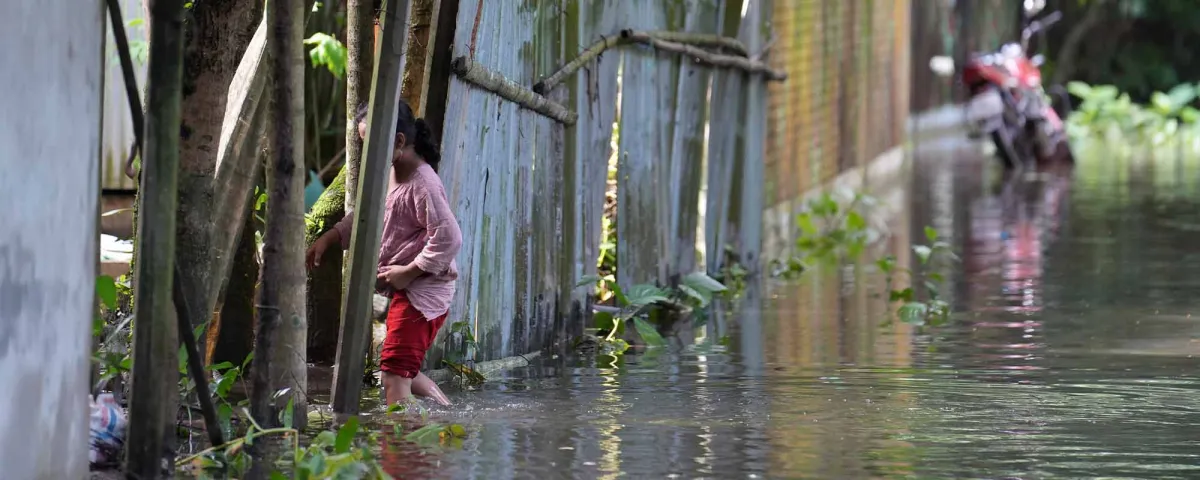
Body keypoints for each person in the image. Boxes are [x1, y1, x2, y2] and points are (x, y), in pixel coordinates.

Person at [306, 99, 461, 407]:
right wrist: (332, 236)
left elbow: (449, 237)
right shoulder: (386, 174)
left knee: (393, 373)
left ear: (400, 141)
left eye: (370, 144)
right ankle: (449, 416)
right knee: (403, 370)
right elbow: (365, 213)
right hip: (409, 289)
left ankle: (398, 450)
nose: (366, 153)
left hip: (425, 290)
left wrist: (409, 271)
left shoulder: (422, 183)